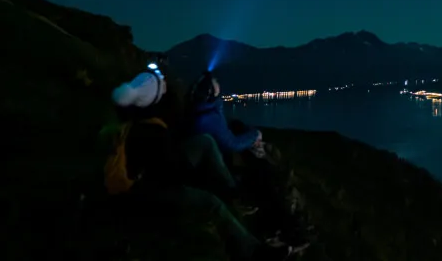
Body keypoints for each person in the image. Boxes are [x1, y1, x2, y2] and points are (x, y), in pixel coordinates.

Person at [103, 63, 304, 260]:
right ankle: (254, 251)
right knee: (212, 203)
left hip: (149, 175)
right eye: (161, 87)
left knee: (205, 142)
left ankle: (234, 194)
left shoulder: (137, 120)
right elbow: (168, 172)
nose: (166, 88)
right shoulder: (152, 131)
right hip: (143, 191)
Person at [190, 72, 311, 251]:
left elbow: (227, 137)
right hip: (220, 169)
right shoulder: (209, 117)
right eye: (216, 85)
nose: (219, 86)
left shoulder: (203, 110)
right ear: (211, 92)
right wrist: (255, 135)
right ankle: (287, 231)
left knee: (259, 163)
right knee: (263, 174)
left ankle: (285, 228)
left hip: (220, 161)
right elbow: (231, 144)